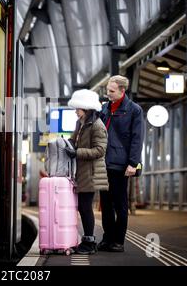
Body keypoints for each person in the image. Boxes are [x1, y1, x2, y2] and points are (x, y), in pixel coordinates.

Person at [98, 75, 144, 252]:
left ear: (122, 91)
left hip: (121, 165)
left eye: (111, 91)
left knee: (120, 204)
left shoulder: (134, 110)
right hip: (104, 163)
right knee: (106, 204)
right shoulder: (105, 108)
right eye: (107, 90)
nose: (108, 94)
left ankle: (118, 241)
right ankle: (107, 238)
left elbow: (137, 138)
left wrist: (133, 163)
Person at [65, 89, 109, 255]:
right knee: (82, 207)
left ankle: (89, 242)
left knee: (85, 207)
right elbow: (73, 139)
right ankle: (87, 241)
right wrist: (67, 144)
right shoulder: (81, 123)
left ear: (86, 108)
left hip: (91, 173)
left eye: (78, 108)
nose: (76, 111)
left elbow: (99, 151)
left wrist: (77, 152)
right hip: (81, 171)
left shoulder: (97, 126)